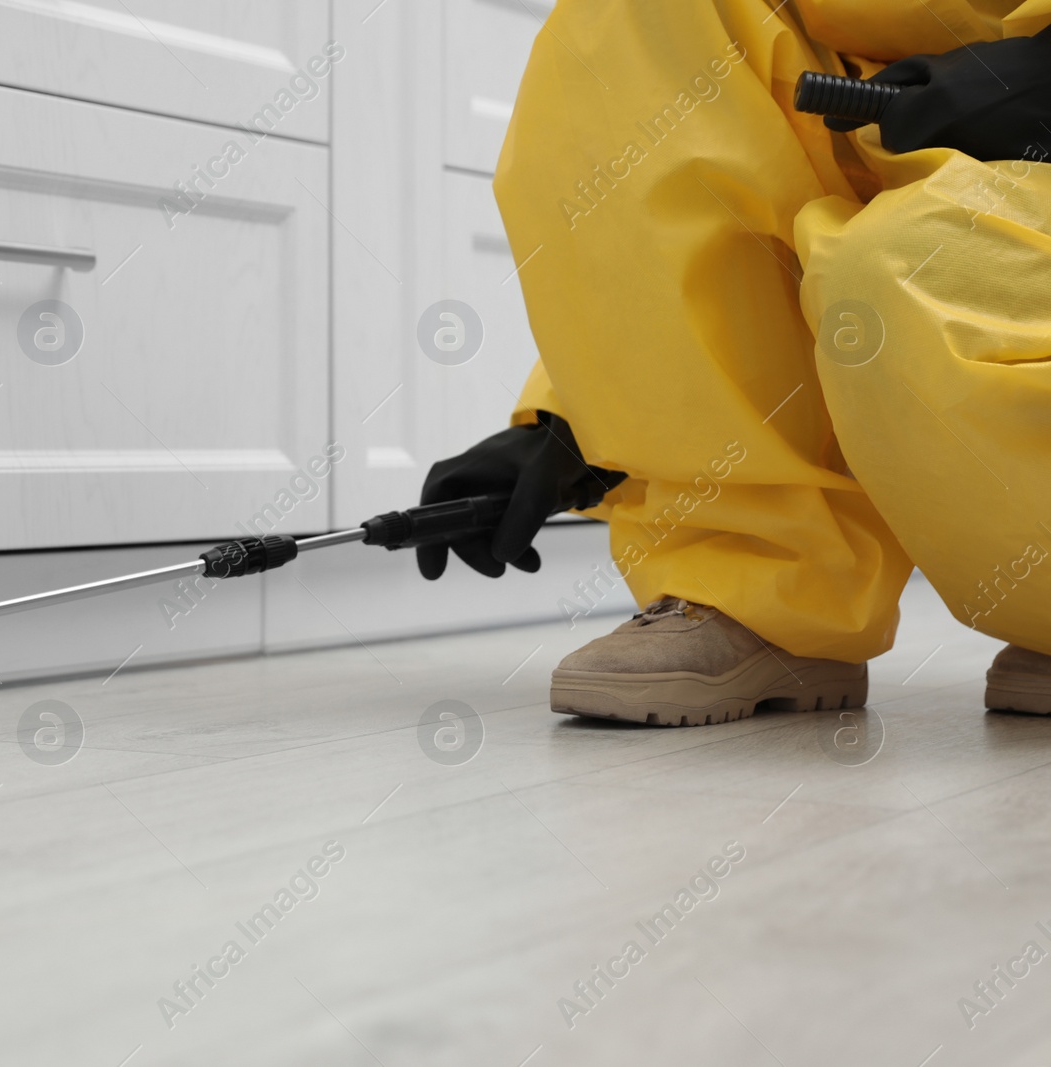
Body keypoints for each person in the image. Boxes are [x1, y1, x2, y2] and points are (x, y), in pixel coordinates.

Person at [418, 0, 1051, 726]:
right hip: (902, 114)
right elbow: (698, 183)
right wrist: (569, 419)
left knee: (895, 279)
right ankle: (754, 581)